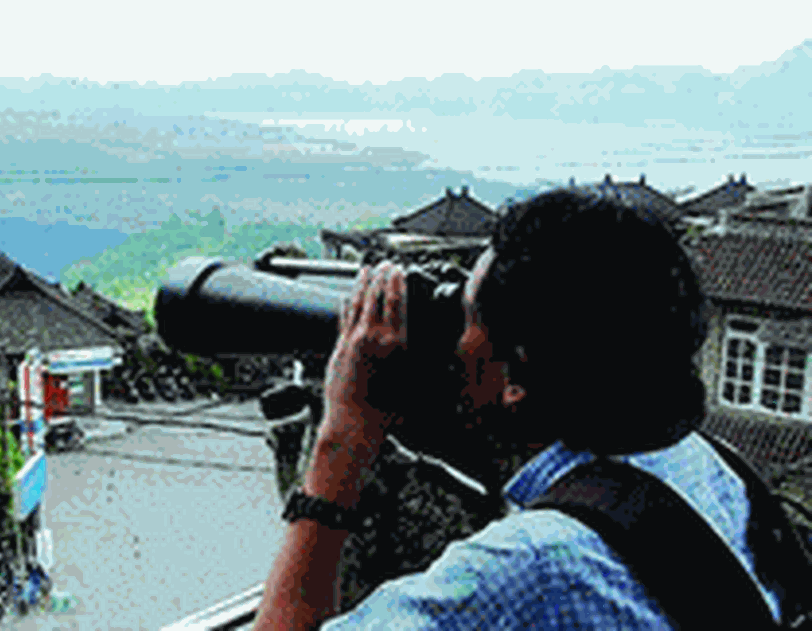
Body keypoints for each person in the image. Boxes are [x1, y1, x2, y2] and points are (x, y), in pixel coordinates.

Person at [253, 184, 782, 629]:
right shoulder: (718, 470)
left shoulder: (526, 565)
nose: (457, 343)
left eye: (468, 316)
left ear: (517, 372)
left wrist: (343, 438)